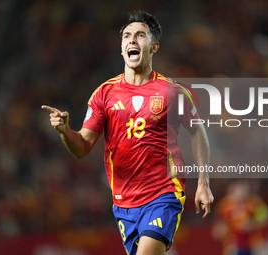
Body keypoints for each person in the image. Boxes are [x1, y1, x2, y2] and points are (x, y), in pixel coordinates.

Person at [42, 11, 213, 255]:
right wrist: (64, 130)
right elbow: (81, 148)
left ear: (153, 46)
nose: (132, 40)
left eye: (139, 35)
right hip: (124, 203)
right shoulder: (104, 94)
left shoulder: (173, 92)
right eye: (126, 36)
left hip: (164, 192)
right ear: (122, 48)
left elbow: (198, 133)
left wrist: (203, 182)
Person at [212, 181, 268, 255]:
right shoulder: (224, 205)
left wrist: (253, 224)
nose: (241, 192)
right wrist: (221, 231)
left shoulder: (254, 202)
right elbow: (217, 227)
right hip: (233, 245)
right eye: (237, 190)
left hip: (253, 244)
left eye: (243, 189)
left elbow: (266, 218)